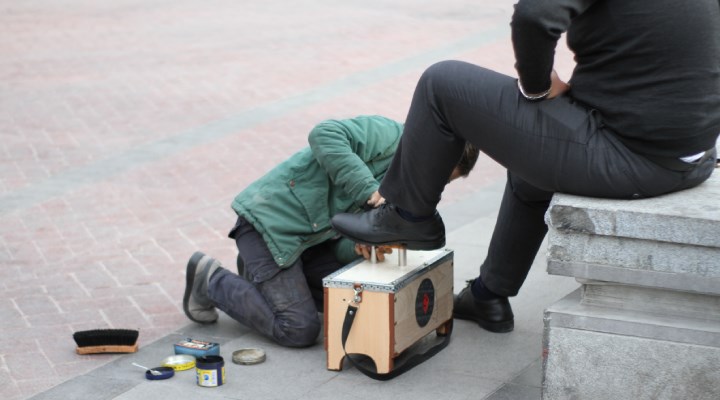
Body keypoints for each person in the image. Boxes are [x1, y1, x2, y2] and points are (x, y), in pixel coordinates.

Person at [330, 0, 720, 334]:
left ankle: (407, 216)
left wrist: (537, 85)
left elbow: (535, 15)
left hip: (631, 155)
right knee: (531, 155)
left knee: (442, 83)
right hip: (689, 154)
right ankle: (488, 297)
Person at [182, 115, 480, 347]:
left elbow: (338, 237)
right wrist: (369, 191)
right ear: (433, 153)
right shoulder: (391, 135)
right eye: (440, 177)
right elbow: (323, 133)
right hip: (270, 225)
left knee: (343, 302)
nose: (435, 187)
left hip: (308, 242)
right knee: (298, 328)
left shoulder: (409, 182)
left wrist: (362, 246)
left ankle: (258, 276)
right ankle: (209, 280)